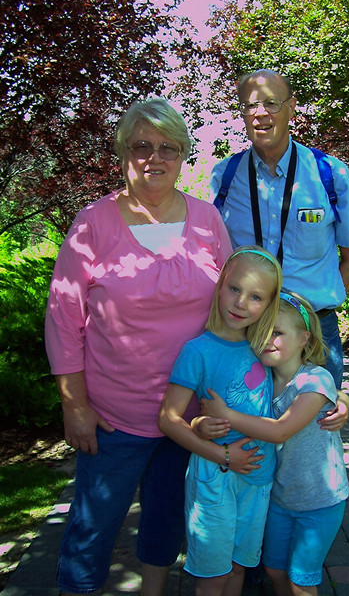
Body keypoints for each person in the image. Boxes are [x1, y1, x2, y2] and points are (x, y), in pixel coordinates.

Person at [44, 98, 260, 596]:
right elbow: (63, 320)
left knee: (165, 518)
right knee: (93, 525)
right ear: (123, 152)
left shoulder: (207, 220)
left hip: (190, 416)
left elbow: (240, 304)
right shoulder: (93, 225)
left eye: (167, 147)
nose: (154, 157)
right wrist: (74, 406)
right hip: (113, 416)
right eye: (141, 145)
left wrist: (302, 374)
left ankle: (153, 591)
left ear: (183, 155)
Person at [210, 68, 349, 390]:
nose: (260, 114)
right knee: (246, 436)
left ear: (291, 106)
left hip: (313, 339)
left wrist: (313, 309)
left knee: (314, 436)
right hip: (245, 336)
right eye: (250, 106)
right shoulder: (224, 177)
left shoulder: (330, 174)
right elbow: (214, 261)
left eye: (271, 103)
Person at [202, 290, 349, 596]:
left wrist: (226, 414)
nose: (267, 339)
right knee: (274, 569)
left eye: (278, 332)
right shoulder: (263, 379)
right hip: (282, 497)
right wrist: (203, 423)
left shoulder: (315, 380)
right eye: (261, 331)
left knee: (301, 579)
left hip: (321, 499)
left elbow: (282, 430)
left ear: (304, 339)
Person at [158, 246, 283, 596]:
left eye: (256, 297)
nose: (241, 303)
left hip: (258, 480)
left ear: (269, 304)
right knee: (213, 575)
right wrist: (221, 454)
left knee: (239, 568)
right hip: (216, 478)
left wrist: (343, 399)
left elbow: (309, 378)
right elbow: (168, 420)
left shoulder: (266, 348)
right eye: (235, 289)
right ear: (220, 284)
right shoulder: (197, 351)